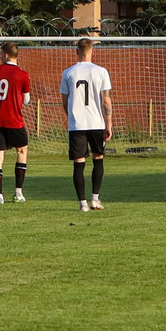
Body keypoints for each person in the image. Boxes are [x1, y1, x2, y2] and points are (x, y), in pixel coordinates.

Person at [61, 35, 113, 212]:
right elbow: (106, 100)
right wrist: (109, 124)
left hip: (77, 125)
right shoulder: (101, 71)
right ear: (92, 51)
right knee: (98, 159)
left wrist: (72, 116)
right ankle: (95, 200)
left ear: (77, 51)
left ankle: (82, 204)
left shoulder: (68, 72)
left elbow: (64, 101)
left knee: (79, 163)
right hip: (96, 123)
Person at [0, 41, 32, 203]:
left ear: (5, 54)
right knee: (21, 152)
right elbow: (26, 100)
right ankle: (18, 193)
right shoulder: (23, 75)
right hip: (15, 120)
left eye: (0, 53)